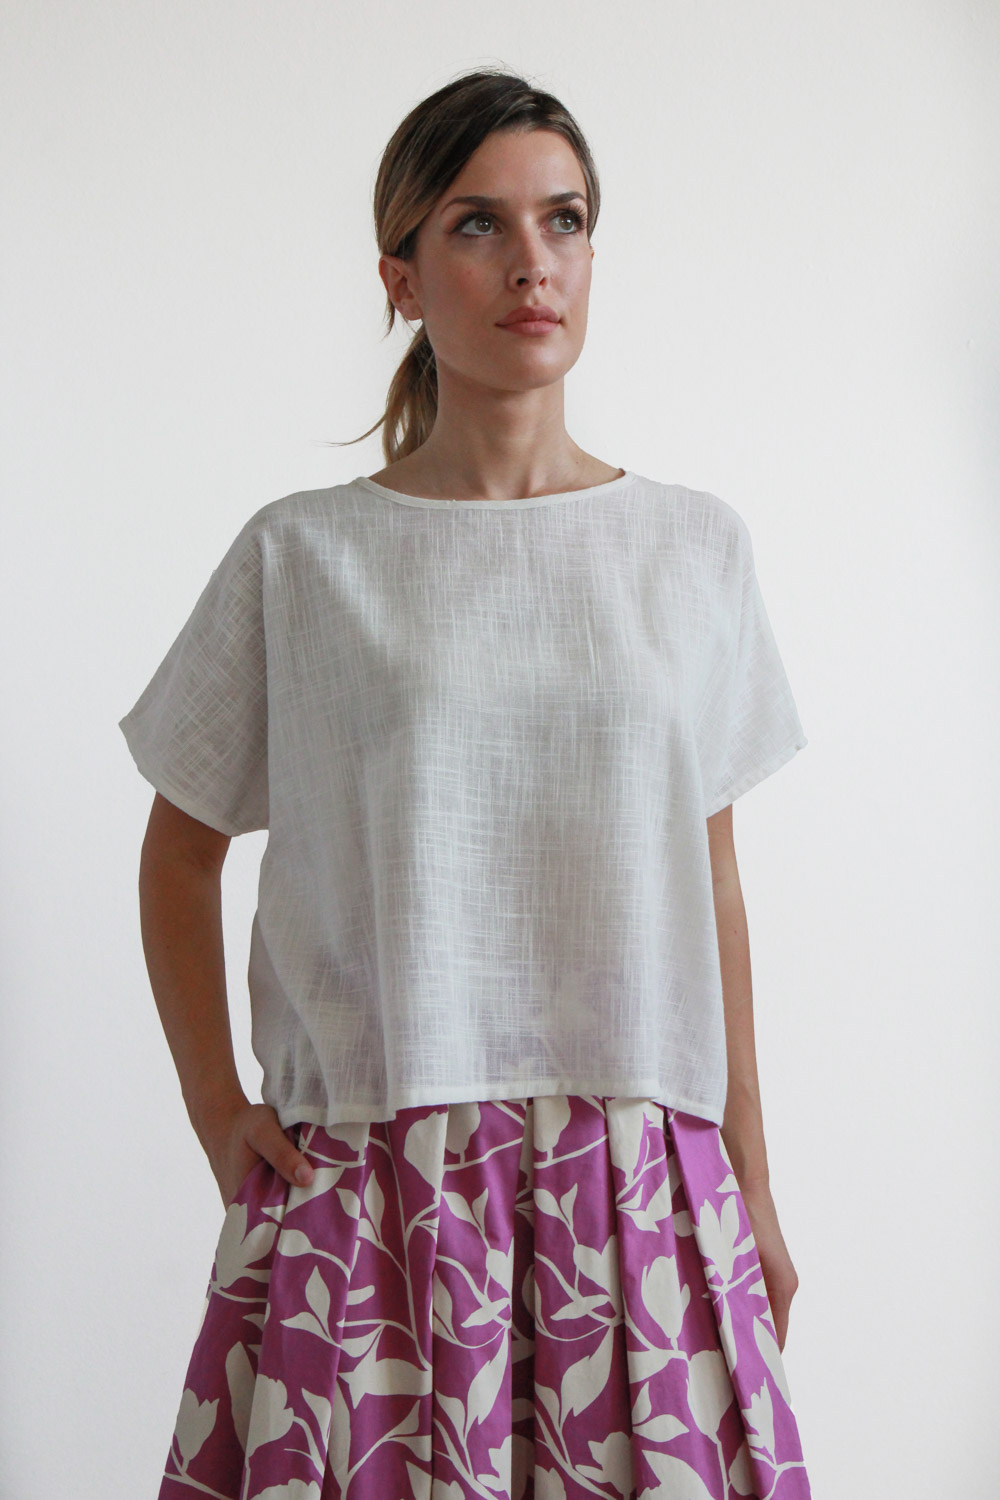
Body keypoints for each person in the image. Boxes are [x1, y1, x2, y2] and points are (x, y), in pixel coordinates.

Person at [121, 67, 813, 1500]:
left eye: (564, 220)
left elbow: (713, 881)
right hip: (375, 1185)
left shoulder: (693, 549)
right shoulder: (303, 558)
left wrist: (752, 1179)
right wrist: (216, 1106)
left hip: (637, 1178)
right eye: (478, 224)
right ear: (401, 276)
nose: (532, 263)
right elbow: (180, 845)